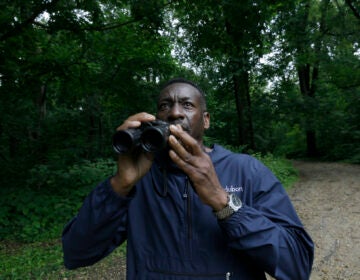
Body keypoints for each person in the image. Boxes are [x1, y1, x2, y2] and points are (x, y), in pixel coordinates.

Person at [62, 78, 314, 279]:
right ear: (156, 119)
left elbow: (297, 264)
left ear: (205, 120)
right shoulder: (140, 180)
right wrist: (120, 185)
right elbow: (76, 253)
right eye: (164, 106)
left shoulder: (246, 170)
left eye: (187, 105)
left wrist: (222, 201)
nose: (174, 113)